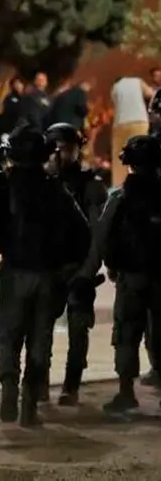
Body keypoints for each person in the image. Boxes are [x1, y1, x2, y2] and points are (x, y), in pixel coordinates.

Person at [0, 125, 89, 426]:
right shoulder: (56, 189)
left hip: (13, 272)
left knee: (8, 335)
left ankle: (9, 388)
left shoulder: (4, 187)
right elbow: (82, 233)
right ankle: (29, 407)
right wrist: (70, 267)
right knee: (39, 340)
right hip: (47, 276)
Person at [71, 135, 161, 413]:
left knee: (126, 334)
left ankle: (126, 392)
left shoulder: (120, 199)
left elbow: (100, 239)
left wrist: (85, 275)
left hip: (130, 278)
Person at [44, 123, 109, 405]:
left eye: (66, 148)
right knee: (40, 332)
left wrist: (87, 271)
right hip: (48, 269)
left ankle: (71, 385)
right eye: (55, 148)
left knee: (78, 330)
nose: (60, 154)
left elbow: (98, 234)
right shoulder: (40, 183)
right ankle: (39, 384)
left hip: (77, 267)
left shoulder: (89, 185)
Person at [110, 77, 152, 187]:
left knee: (120, 156)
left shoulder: (115, 87)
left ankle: (119, 187)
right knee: (141, 153)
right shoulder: (138, 81)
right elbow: (151, 94)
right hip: (139, 121)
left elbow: (115, 104)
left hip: (121, 123)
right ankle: (144, 184)